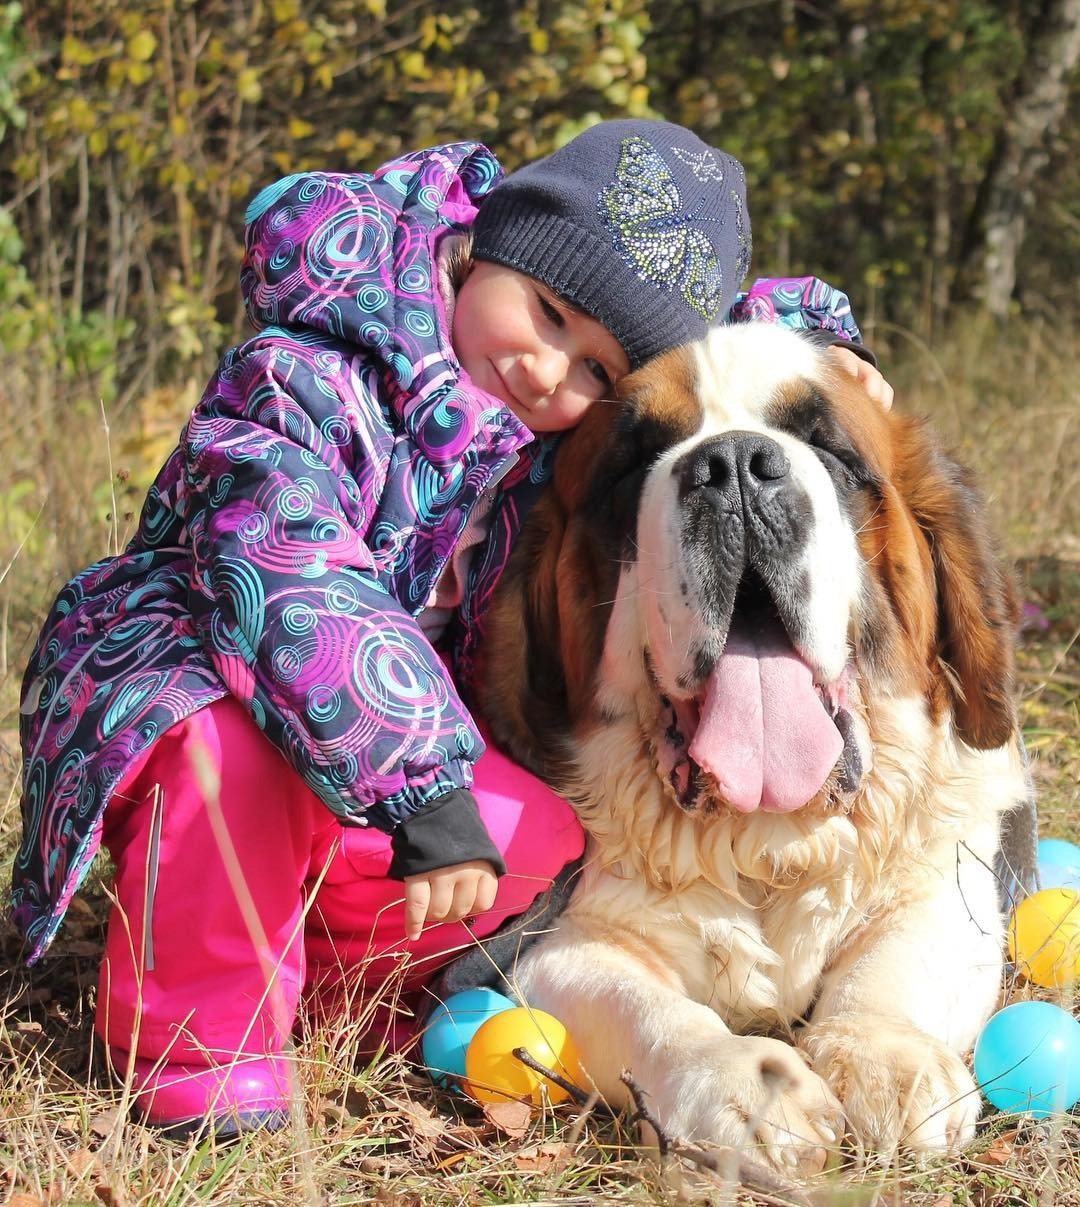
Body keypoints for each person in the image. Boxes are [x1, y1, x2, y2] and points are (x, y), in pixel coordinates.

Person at [11, 118, 889, 1138]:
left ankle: (347, 986)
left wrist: (825, 342)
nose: (550, 372)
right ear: (491, 243)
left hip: (381, 732)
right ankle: (196, 1053)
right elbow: (286, 577)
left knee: (551, 839)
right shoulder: (308, 373)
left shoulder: (526, 428)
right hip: (196, 674)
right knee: (234, 766)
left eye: (600, 373)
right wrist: (423, 788)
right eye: (549, 312)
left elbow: (721, 319)